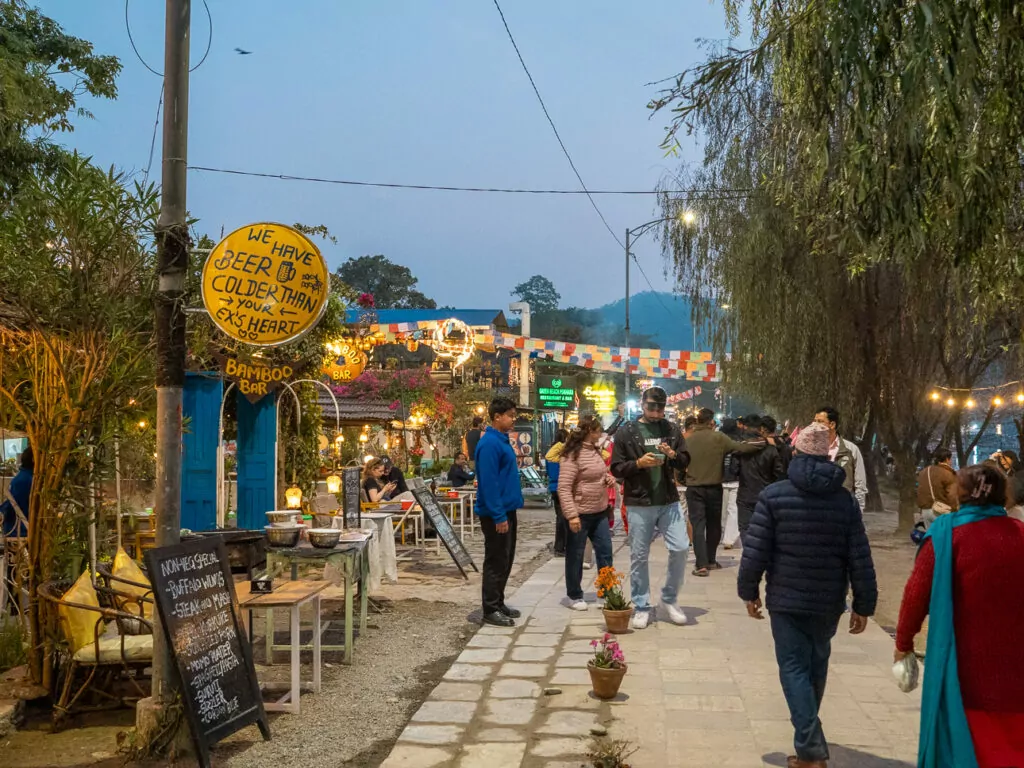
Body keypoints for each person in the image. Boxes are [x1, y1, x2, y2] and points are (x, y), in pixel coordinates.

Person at [738, 422, 877, 768]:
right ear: (829, 456)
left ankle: (811, 750)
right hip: (828, 601)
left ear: (795, 453)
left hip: (785, 599)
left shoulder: (774, 495)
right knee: (816, 664)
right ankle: (808, 742)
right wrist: (864, 603)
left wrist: (748, 589)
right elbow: (859, 554)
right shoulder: (844, 500)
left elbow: (755, 550)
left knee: (793, 668)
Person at [895, 463, 1024, 768]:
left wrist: (903, 643)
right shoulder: (1020, 534)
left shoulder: (946, 536)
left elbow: (916, 595)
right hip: (1016, 671)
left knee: (967, 748)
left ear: (958, 493)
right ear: (1003, 495)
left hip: (963, 670)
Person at [610, 386, 691, 630]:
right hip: (639, 500)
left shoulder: (671, 429)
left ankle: (669, 598)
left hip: (668, 499)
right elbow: (616, 468)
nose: (656, 412)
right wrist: (637, 463)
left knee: (681, 547)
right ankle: (642, 605)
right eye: (651, 407)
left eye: (660, 407)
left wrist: (673, 454)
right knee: (639, 555)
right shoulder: (627, 432)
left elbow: (686, 461)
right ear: (642, 405)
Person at [683, 408, 760, 577]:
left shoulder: (688, 440)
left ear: (697, 421)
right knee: (714, 525)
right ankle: (711, 560)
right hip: (714, 487)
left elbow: (679, 463)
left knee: (698, 526)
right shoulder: (719, 438)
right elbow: (741, 448)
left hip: (694, 488)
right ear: (711, 422)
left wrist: (684, 479)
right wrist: (763, 443)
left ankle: (701, 564)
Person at [474, 397, 524, 627]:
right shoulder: (488, 444)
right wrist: (498, 515)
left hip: (508, 508)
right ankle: (490, 608)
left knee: (506, 558)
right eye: (510, 415)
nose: (513, 419)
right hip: (496, 512)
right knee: (495, 559)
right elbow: (489, 483)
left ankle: (499, 600)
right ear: (497, 417)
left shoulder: (502, 440)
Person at [557, 416, 615, 611]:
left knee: (605, 552)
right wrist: (572, 515)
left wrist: (608, 479)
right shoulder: (572, 455)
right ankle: (574, 594)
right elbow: (564, 488)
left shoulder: (596, 451)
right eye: (598, 430)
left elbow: (600, 473)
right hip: (580, 513)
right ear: (590, 431)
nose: (601, 434)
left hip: (600, 511)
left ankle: (606, 592)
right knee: (576, 554)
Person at [736, 415, 784, 541]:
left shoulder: (741, 449)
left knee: (745, 528)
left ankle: (749, 554)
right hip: (766, 494)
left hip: (745, 495)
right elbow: (779, 473)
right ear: (761, 429)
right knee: (764, 528)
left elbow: (734, 471)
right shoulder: (772, 449)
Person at [813, 406, 867, 510]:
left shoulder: (851, 450)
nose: (815, 426)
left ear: (832, 425)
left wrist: (859, 511)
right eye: (814, 421)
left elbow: (860, 485)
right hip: (817, 509)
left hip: (842, 509)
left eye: (820, 421)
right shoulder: (810, 449)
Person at [916, 448, 958, 528]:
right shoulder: (948, 473)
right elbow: (952, 495)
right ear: (947, 459)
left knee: (931, 538)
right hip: (941, 511)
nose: (951, 462)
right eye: (951, 459)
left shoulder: (924, 471)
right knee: (945, 538)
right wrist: (955, 511)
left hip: (925, 510)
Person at [720, 418, 743, 551]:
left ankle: (724, 534)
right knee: (733, 510)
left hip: (721, 478)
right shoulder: (739, 440)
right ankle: (729, 538)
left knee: (723, 511)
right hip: (735, 478)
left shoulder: (720, 439)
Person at [545, 429, 570, 556]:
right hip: (560, 487)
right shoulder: (559, 457)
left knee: (561, 517)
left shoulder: (554, 455)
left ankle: (561, 546)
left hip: (554, 488)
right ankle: (560, 547)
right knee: (562, 518)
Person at [1, 446, 32, 538]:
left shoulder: (24, 477)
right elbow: (13, 504)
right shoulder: (25, 479)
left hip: (19, 528)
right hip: (20, 531)